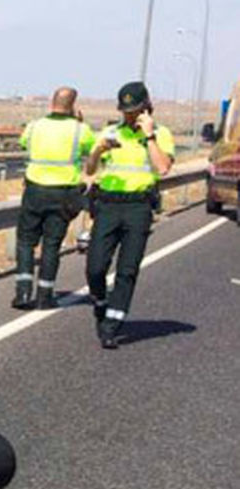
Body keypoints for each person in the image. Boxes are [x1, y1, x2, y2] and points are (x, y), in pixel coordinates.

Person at [83, 81, 174, 349]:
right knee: (95, 267)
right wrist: (98, 152)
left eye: (135, 110)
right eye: (126, 110)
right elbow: (90, 170)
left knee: (127, 269)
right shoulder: (111, 131)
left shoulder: (161, 134)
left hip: (138, 208)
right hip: (109, 206)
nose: (130, 115)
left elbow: (163, 168)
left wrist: (149, 137)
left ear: (146, 107)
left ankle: (111, 325)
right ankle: (100, 302)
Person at [12, 86, 95, 309]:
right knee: (51, 245)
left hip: (34, 191)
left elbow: (23, 143)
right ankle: (45, 295)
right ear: (73, 105)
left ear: (52, 102)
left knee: (26, 242)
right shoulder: (80, 130)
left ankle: (22, 292)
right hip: (63, 194)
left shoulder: (34, 126)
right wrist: (78, 122)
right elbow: (93, 150)